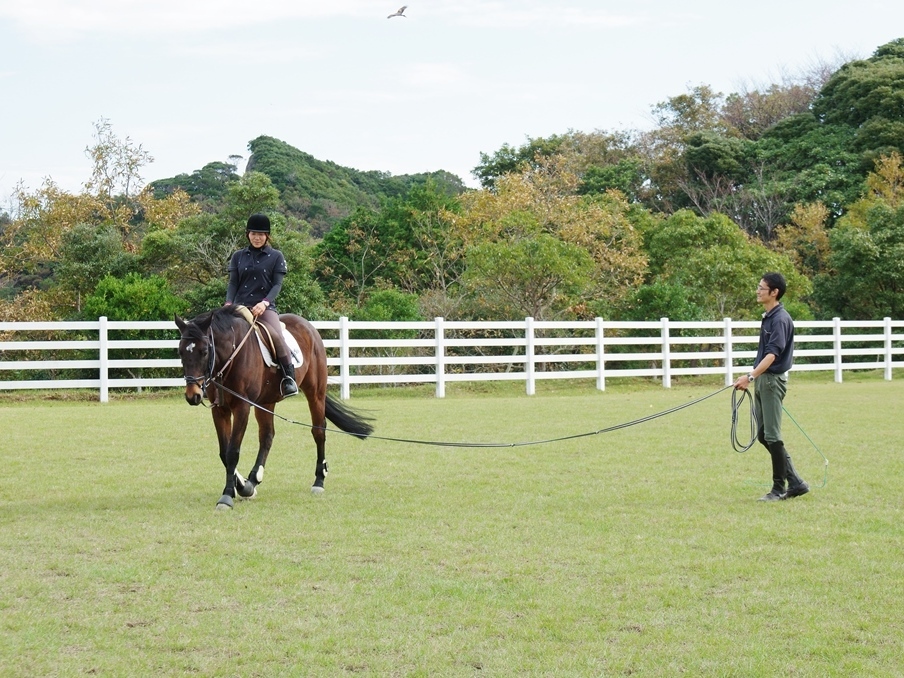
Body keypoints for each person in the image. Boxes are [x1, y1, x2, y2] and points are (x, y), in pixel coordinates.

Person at [733, 272, 809, 501]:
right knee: (764, 435)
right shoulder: (769, 317)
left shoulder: (780, 319)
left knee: (772, 435)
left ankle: (779, 488)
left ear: (774, 292)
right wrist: (753, 377)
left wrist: (750, 376)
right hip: (764, 380)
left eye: (761, 288)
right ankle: (795, 482)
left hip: (771, 381)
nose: (758, 291)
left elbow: (772, 356)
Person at [225, 213, 298, 397]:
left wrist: (264, 303)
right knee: (220, 335)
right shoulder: (237, 256)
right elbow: (233, 283)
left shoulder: (276, 256)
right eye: (253, 233)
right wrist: (228, 303)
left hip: (264, 308)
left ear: (267, 236)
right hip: (240, 307)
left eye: (261, 234)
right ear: (248, 234)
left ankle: (289, 378)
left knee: (276, 336)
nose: (257, 237)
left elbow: (277, 285)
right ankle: (216, 380)